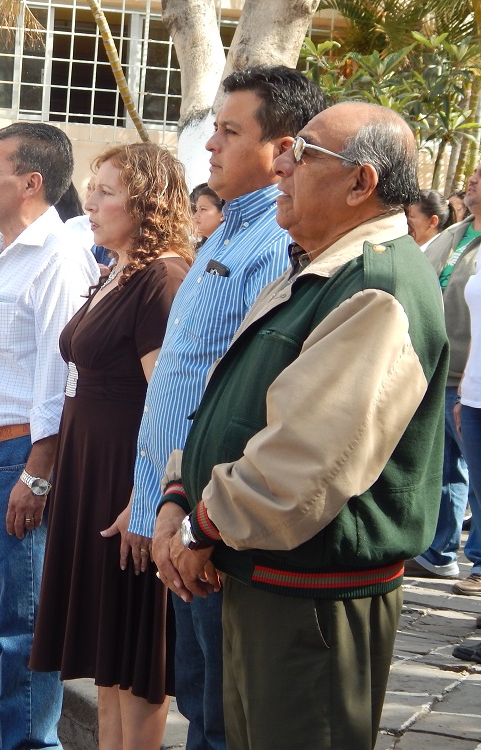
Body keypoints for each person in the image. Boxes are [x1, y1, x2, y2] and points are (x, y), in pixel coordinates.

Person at [156, 101, 447, 750]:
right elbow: (229, 403)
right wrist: (179, 493)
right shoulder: (317, 265)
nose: (282, 165)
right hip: (262, 578)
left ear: (361, 182)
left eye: (304, 153)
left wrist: (201, 525)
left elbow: (304, 463)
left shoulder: (376, 286)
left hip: (312, 601)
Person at [128, 66, 327, 750]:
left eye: (230, 131)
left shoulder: (274, 240)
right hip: (179, 505)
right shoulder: (224, 233)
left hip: (211, 520)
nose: (211, 144)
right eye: (213, 128)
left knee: (221, 716)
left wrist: (200, 522)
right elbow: (182, 377)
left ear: (282, 148)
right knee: (200, 701)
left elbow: (252, 398)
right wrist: (151, 499)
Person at [31, 142, 193, 750]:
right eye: (91, 189)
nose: (90, 203)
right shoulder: (117, 269)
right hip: (88, 468)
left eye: (107, 192)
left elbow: (167, 399)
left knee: (133, 647)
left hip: (124, 472)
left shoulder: (162, 278)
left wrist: (145, 497)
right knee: (105, 651)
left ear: (147, 202)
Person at [0, 122, 99, 750]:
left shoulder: (57, 259)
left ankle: (30, 743)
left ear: (31, 183)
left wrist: (38, 472)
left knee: (21, 625)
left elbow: (62, 378)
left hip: (15, 460)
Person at [414, 163, 481, 595]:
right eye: (472, 176)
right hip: (439, 369)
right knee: (444, 469)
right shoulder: (457, 233)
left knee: (476, 476)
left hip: (468, 375)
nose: (471, 181)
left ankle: (478, 561)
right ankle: (439, 553)